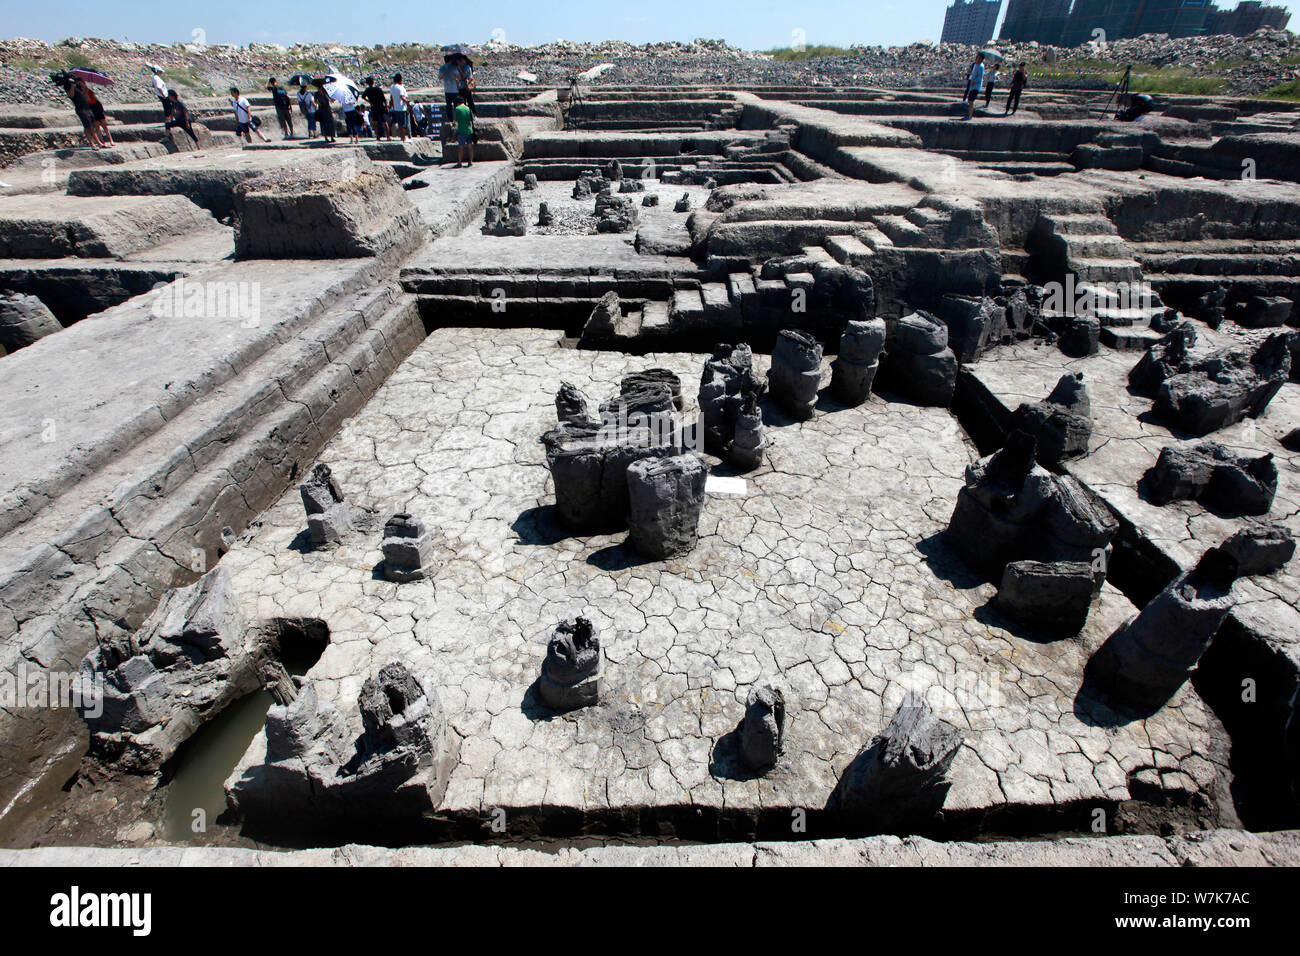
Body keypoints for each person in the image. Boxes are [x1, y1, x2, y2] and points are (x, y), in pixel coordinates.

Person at [66, 78, 104, 149]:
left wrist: (85, 87)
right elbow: (71, 95)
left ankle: (97, 143)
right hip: (81, 109)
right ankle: (95, 143)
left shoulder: (78, 88)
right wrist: (71, 84)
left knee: (91, 126)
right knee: (89, 127)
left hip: (87, 108)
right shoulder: (68, 88)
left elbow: (86, 97)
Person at [329, 80, 361, 144]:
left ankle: (351, 139)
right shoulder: (351, 95)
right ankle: (357, 139)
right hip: (352, 110)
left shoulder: (341, 96)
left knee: (349, 125)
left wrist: (332, 99)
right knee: (353, 125)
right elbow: (354, 102)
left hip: (346, 112)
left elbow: (333, 100)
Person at [84, 81, 115, 147]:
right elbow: (88, 100)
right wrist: (85, 92)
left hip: (96, 106)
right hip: (91, 107)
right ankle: (102, 141)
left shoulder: (89, 90)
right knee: (97, 126)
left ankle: (111, 140)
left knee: (104, 125)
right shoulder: (82, 93)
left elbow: (95, 98)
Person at [438, 55, 461, 125]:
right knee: (456, 105)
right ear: (450, 60)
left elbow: (440, 77)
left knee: (448, 105)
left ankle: (450, 119)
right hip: (454, 89)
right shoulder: (454, 68)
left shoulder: (442, 68)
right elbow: (459, 77)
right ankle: (456, 119)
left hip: (447, 89)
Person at [452, 95, 474, 167]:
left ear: (457, 103)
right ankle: (470, 162)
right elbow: (471, 119)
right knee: (470, 146)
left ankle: (459, 162)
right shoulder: (468, 108)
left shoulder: (457, 109)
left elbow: (455, 120)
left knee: (461, 147)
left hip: (462, 130)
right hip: (469, 130)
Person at [963, 52, 985, 120]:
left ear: (981, 59)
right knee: (969, 100)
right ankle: (969, 113)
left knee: (971, 101)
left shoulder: (981, 66)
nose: (976, 58)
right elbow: (973, 73)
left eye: (977, 57)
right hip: (972, 86)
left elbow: (980, 77)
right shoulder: (975, 65)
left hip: (976, 86)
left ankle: (970, 115)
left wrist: (974, 81)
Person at [389, 72, 410, 141]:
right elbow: (402, 97)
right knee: (403, 124)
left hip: (396, 108)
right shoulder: (400, 87)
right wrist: (407, 102)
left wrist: (392, 106)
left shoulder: (392, 87)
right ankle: (404, 138)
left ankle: (402, 137)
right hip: (402, 108)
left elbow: (391, 98)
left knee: (400, 124)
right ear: (400, 79)